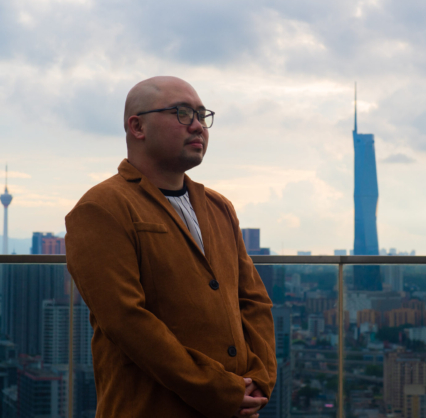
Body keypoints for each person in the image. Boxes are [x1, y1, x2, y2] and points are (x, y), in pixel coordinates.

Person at [65, 76, 276, 418]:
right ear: (137, 127)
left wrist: (261, 379)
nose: (197, 126)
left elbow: (253, 301)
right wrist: (218, 390)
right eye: (182, 112)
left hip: (236, 404)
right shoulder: (101, 207)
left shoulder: (219, 207)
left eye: (201, 114)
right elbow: (126, 321)